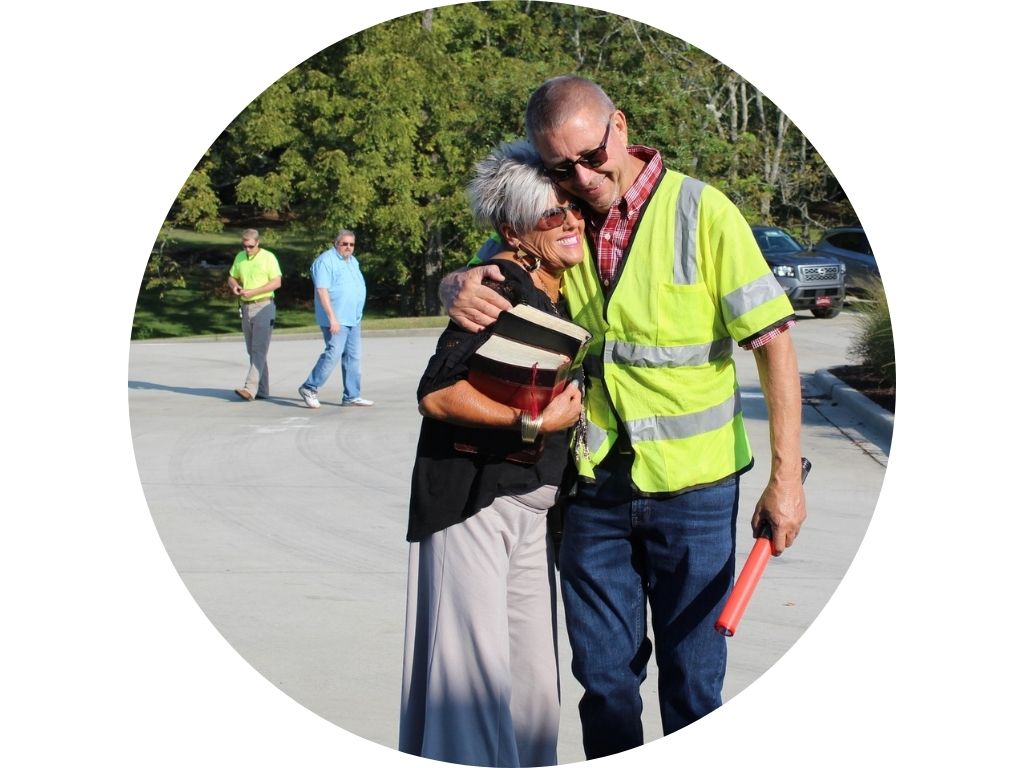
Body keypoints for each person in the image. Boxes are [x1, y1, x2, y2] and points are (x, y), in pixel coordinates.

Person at [442, 76, 808, 758]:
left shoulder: (704, 212)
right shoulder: (561, 216)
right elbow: (493, 269)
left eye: (590, 156)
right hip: (593, 491)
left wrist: (786, 480)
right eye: (561, 168)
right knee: (605, 684)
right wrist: (457, 283)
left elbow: (774, 344)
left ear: (620, 126)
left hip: (696, 493)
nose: (582, 177)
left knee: (695, 688)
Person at [399, 140, 586, 768]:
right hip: (471, 505)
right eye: (552, 214)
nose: (570, 222)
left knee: (533, 693)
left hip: (531, 508)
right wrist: (529, 421)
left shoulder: (557, 283)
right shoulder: (502, 282)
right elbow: (437, 394)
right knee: (469, 694)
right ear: (515, 230)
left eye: (572, 209)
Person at [297, 229, 374, 408]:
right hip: (336, 318)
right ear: (336, 243)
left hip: (352, 318)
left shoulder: (352, 261)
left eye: (351, 244)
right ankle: (309, 387)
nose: (348, 247)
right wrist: (332, 318)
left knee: (353, 356)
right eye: (344, 243)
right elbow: (322, 290)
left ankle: (352, 395)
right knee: (333, 352)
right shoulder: (325, 261)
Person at [227, 228, 281, 401]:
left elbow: (276, 282)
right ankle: (263, 390)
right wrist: (234, 285)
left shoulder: (269, 257)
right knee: (253, 350)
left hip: (264, 305)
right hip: (246, 307)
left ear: (258, 242)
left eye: (251, 246)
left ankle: (249, 388)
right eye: (245, 246)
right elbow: (231, 276)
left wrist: (254, 291)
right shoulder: (240, 257)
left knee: (259, 348)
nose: (248, 250)